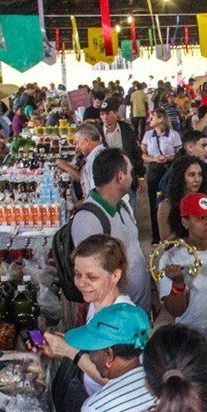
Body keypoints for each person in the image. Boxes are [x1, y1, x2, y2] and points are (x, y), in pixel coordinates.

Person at [41, 235, 132, 397]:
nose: (82, 283)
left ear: (115, 276)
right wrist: (60, 347)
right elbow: (92, 352)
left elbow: (120, 382)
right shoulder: (96, 305)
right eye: (78, 274)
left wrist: (70, 351)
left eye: (92, 277)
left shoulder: (123, 320)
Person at [62, 303, 151, 412]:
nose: (91, 356)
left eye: (92, 350)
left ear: (109, 355)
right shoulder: (161, 383)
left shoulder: (96, 409)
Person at [70, 149, 151, 311]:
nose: (132, 177)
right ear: (120, 177)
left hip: (135, 309)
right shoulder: (88, 219)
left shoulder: (122, 206)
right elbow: (92, 276)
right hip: (114, 317)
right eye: (130, 172)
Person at [157, 193, 207, 346]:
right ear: (185, 222)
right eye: (200, 218)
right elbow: (174, 311)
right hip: (188, 341)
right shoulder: (171, 258)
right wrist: (178, 284)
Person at [142, 110, 182, 244]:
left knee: (169, 201)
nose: (150, 119)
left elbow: (179, 154)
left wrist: (169, 157)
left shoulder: (173, 135)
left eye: (152, 117)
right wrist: (153, 159)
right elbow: (143, 154)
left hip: (168, 169)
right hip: (154, 170)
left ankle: (171, 233)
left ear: (160, 119)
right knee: (154, 202)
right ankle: (156, 236)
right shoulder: (148, 135)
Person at [98, 101, 144, 210]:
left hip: (126, 179)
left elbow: (137, 154)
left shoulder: (127, 131)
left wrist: (141, 177)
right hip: (106, 180)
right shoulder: (97, 132)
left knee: (130, 211)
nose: (105, 117)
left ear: (115, 114)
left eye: (108, 113)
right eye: (102, 114)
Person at [156, 156, 207, 243]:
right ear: (181, 177)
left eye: (200, 174)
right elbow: (165, 243)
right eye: (192, 175)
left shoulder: (206, 200)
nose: (197, 180)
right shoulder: (166, 205)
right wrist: (191, 228)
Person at [55, 123, 104, 197]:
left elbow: (97, 194)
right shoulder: (95, 155)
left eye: (78, 143)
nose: (77, 147)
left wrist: (76, 206)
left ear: (87, 141)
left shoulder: (97, 159)